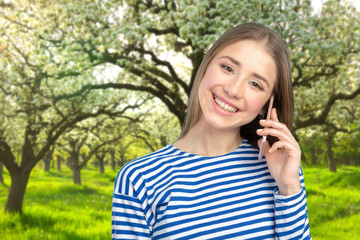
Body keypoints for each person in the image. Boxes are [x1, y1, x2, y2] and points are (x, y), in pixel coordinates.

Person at [112, 22, 311, 239]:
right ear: (206, 66)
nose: (233, 90)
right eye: (228, 68)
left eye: (255, 84)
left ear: (267, 105)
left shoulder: (281, 171)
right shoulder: (140, 180)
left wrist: (289, 187)